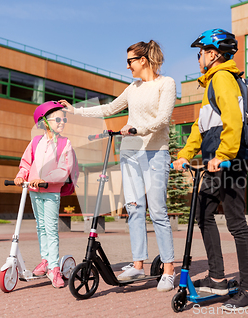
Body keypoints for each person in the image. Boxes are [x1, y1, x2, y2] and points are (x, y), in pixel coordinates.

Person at [59, 40, 177, 292]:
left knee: (157, 212)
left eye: (130, 61)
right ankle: (138, 264)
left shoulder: (166, 83)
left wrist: (137, 129)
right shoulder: (132, 88)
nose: (127, 66)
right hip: (131, 153)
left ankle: (168, 268)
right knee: (134, 208)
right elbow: (110, 108)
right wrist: (75, 110)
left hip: (156, 153)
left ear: (143, 60)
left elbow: (163, 119)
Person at [172, 29, 248, 311]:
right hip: (214, 161)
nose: (198, 58)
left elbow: (233, 120)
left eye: (200, 53)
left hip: (229, 160)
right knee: (203, 213)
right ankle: (218, 278)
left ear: (211, 54)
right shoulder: (210, 83)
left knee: (236, 222)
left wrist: (223, 155)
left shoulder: (222, 77)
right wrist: (184, 154)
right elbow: (201, 127)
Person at [14, 101, 78, 288]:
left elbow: (64, 169)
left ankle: (54, 267)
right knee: (40, 227)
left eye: (64, 119)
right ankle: (45, 260)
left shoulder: (65, 144)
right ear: (45, 122)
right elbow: (26, 163)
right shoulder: (36, 142)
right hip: (34, 191)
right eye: (58, 119)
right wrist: (20, 176)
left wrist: (46, 180)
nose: (62, 122)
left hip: (51, 191)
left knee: (50, 229)